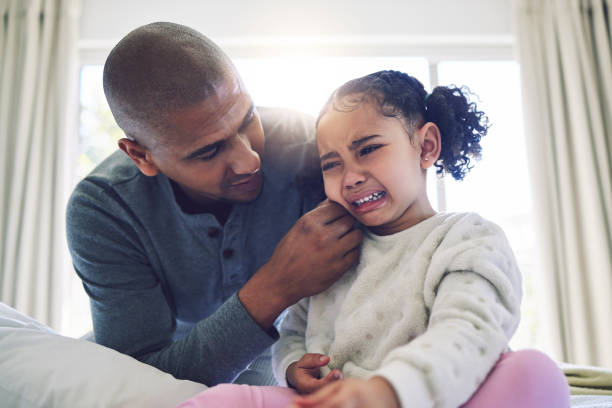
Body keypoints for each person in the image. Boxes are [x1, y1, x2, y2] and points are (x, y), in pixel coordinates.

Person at [178, 70, 570, 407]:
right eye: (332, 164)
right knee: (220, 399)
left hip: (438, 397)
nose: (350, 177)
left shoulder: (465, 237)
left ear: (426, 146)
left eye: (368, 149)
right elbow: (293, 331)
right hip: (338, 401)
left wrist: (388, 392)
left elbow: (469, 332)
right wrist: (295, 367)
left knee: (534, 372)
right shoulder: (332, 249)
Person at [65, 21, 363, 387]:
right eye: (209, 151)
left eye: (247, 119)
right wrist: (274, 286)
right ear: (141, 156)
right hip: (166, 355)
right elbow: (140, 378)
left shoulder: (310, 145)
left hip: (281, 351)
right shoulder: (104, 208)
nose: (249, 160)